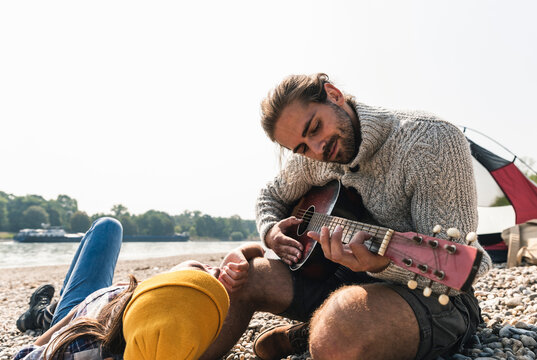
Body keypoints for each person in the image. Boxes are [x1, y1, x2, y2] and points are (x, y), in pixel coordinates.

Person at [200, 73, 493, 360]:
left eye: (315, 128)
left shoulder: (430, 140)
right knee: (241, 276)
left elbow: (455, 275)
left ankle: (311, 331)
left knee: (339, 329)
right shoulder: (312, 160)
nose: (316, 150)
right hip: (341, 280)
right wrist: (271, 232)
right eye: (301, 148)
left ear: (334, 95)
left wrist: (384, 264)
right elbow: (270, 195)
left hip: (435, 297)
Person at [14, 217, 264, 360]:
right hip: (112, 301)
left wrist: (46, 338)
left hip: (83, 312)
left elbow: (33, 352)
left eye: (200, 266)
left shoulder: (89, 340)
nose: (214, 268)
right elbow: (258, 253)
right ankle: (44, 314)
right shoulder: (185, 311)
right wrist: (240, 254)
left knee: (107, 226)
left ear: (170, 281)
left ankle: (42, 315)